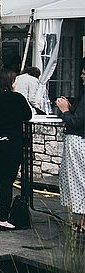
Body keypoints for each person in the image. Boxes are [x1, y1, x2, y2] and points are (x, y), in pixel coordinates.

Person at [0, 68, 32, 230]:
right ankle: (3, 218)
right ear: (10, 82)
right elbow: (27, 115)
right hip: (10, 141)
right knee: (6, 181)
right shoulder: (16, 98)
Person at [55, 58, 85, 234]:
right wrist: (70, 106)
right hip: (77, 141)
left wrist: (65, 111)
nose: (81, 75)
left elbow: (77, 122)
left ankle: (83, 218)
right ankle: (81, 217)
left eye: (83, 72)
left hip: (78, 142)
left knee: (79, 179)